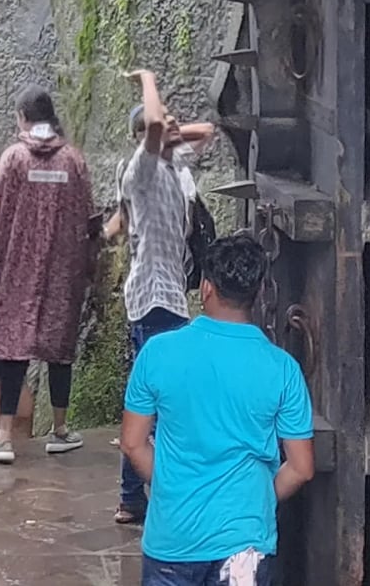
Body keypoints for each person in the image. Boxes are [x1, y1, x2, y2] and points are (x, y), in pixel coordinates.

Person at [121, 231, 313, 586]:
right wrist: (255, 499)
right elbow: (301, 468)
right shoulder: (282, 368)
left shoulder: (158, 354)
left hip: (173, 539)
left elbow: (133, 444)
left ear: (206, 287)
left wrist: (170, 485)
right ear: (257, 294)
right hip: (245, 545)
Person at [107, 67, 220, 523]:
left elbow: (208, 131)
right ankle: (140, 495)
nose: (170, 125)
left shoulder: (173, 165)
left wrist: (174, 132)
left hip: (169, 298)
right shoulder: (142, 171)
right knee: (156, 401)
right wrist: (147, 80)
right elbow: (154, 126)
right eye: (162, 122)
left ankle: (133, 496)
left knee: (152, 398)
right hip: (153, 300)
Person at [0, 88, 98, 464]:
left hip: (17, 270)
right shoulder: (73, 160)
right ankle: (59, 430)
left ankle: (4, 436)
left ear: (23, 117)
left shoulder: (13, 159)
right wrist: (88, 266)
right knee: (59, 350)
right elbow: (90, 220)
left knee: (13, 347)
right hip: (62, 270)